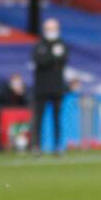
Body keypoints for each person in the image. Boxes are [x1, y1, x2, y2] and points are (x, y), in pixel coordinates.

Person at [32, 18, 69, 154]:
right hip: (41, 88)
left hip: (57, 87)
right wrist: (53, 57)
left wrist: (50, 58)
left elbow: (63, 60)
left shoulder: (62, 44)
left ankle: (58, 146)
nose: (51, 32)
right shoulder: (39, 44)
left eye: (54, 29)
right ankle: (37, 146)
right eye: (49, 29)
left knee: (57, 118)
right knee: (38, 119)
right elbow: (40, 61)